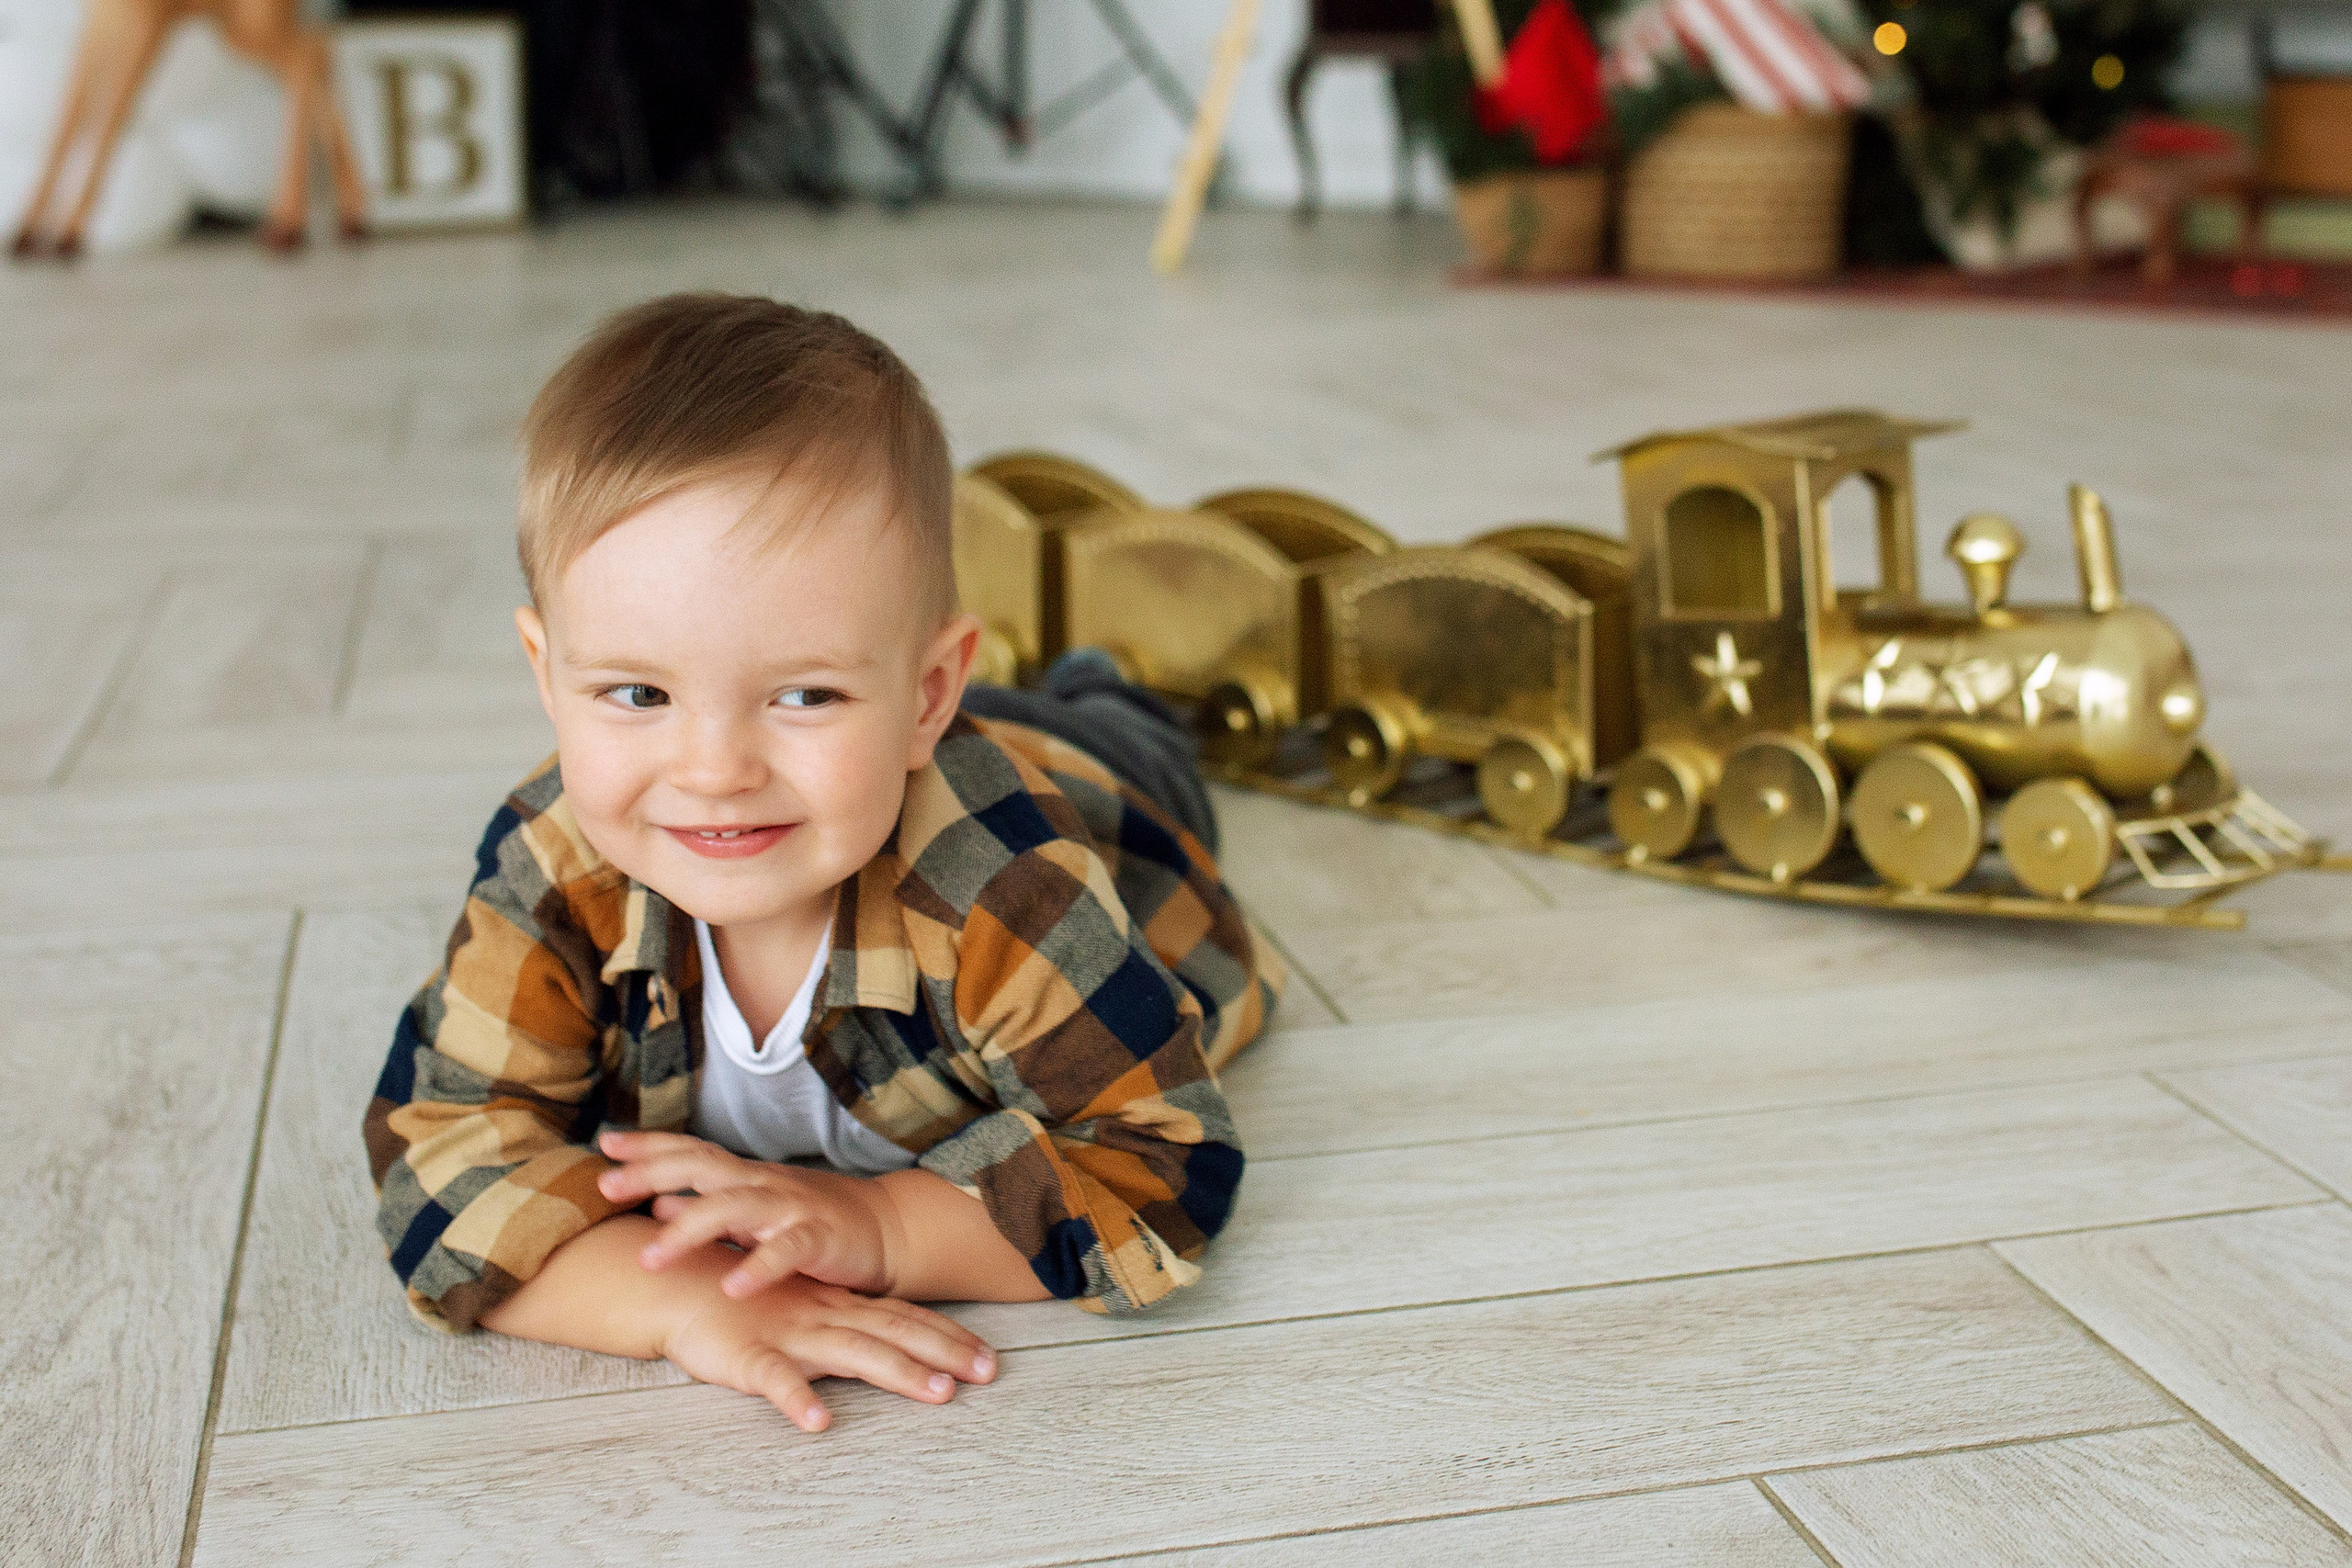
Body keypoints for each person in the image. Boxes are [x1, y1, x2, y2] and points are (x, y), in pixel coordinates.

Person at [363, 293, 1282, 1432]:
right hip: (897, 745)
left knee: (1122, 725)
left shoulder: (1011, 882)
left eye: (802, 693)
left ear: (923, 696)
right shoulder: (555, 873)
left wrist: (883, 1230)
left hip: (1098, 789)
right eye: (637, 694)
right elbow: (443, 1146)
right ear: (548, 676)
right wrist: (688, 1305)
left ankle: (1109, 681)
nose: (713, 769)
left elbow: (1165, 1163)